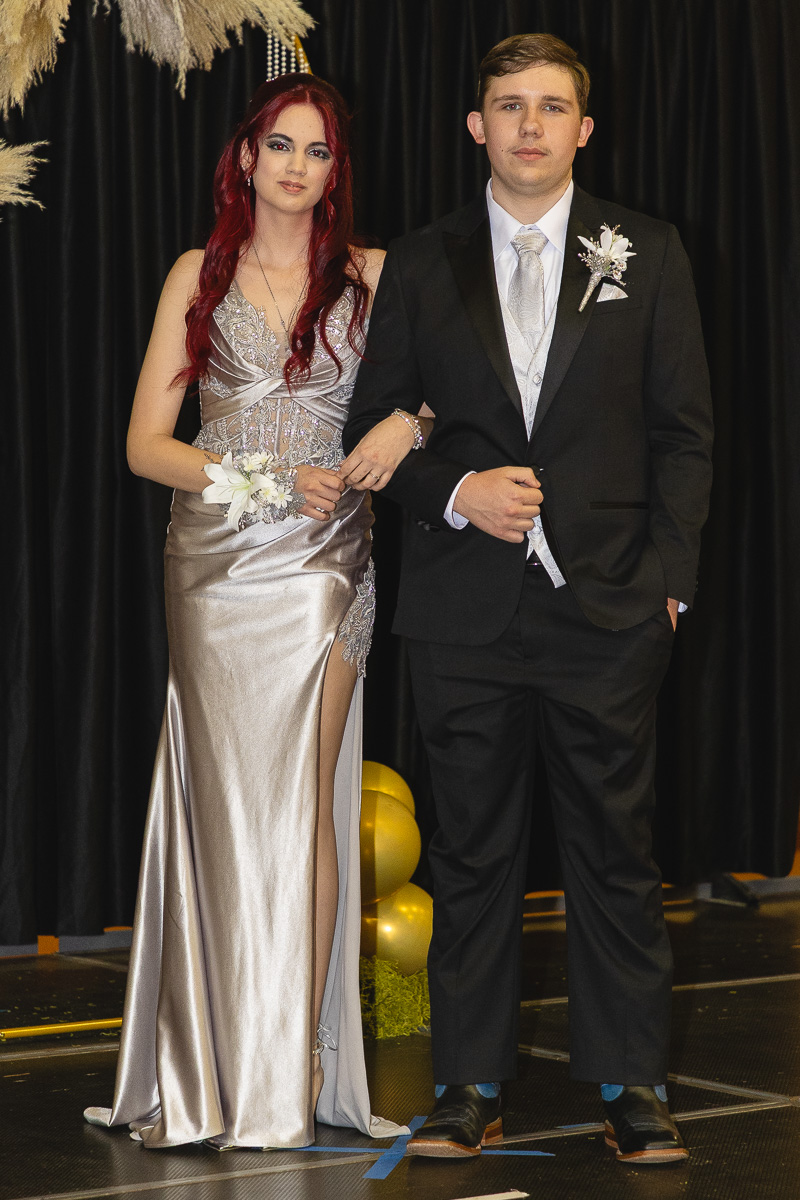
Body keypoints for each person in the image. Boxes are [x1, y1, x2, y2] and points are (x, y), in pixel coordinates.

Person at [344, 33, 713, 1165]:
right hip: (462, 617)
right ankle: (467, 1084)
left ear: (581, 129)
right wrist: (454, 489)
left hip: (608, 615)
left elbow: (683, 439)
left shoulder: (644, 252)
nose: (529, 126)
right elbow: (377, 434)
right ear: (476, 126)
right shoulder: (416, 261)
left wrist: (668, 590)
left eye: (551, 107)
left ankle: (628, 1083)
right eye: (509, 106)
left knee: (611, 851)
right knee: (470, 857)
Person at [84, 73, 424, 1150]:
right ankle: (208, 1061)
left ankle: (294, 1063)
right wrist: (266, 482)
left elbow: (450, 387)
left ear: (335, 171)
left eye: (316, 151)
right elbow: (146, 446)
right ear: (243, 158)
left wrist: (408, 427)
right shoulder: (201, 273)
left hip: (329, 566)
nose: (295, 166)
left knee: (304, 806)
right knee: (222, 809)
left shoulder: (374, 275)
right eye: (279, 145)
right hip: (217, 565)